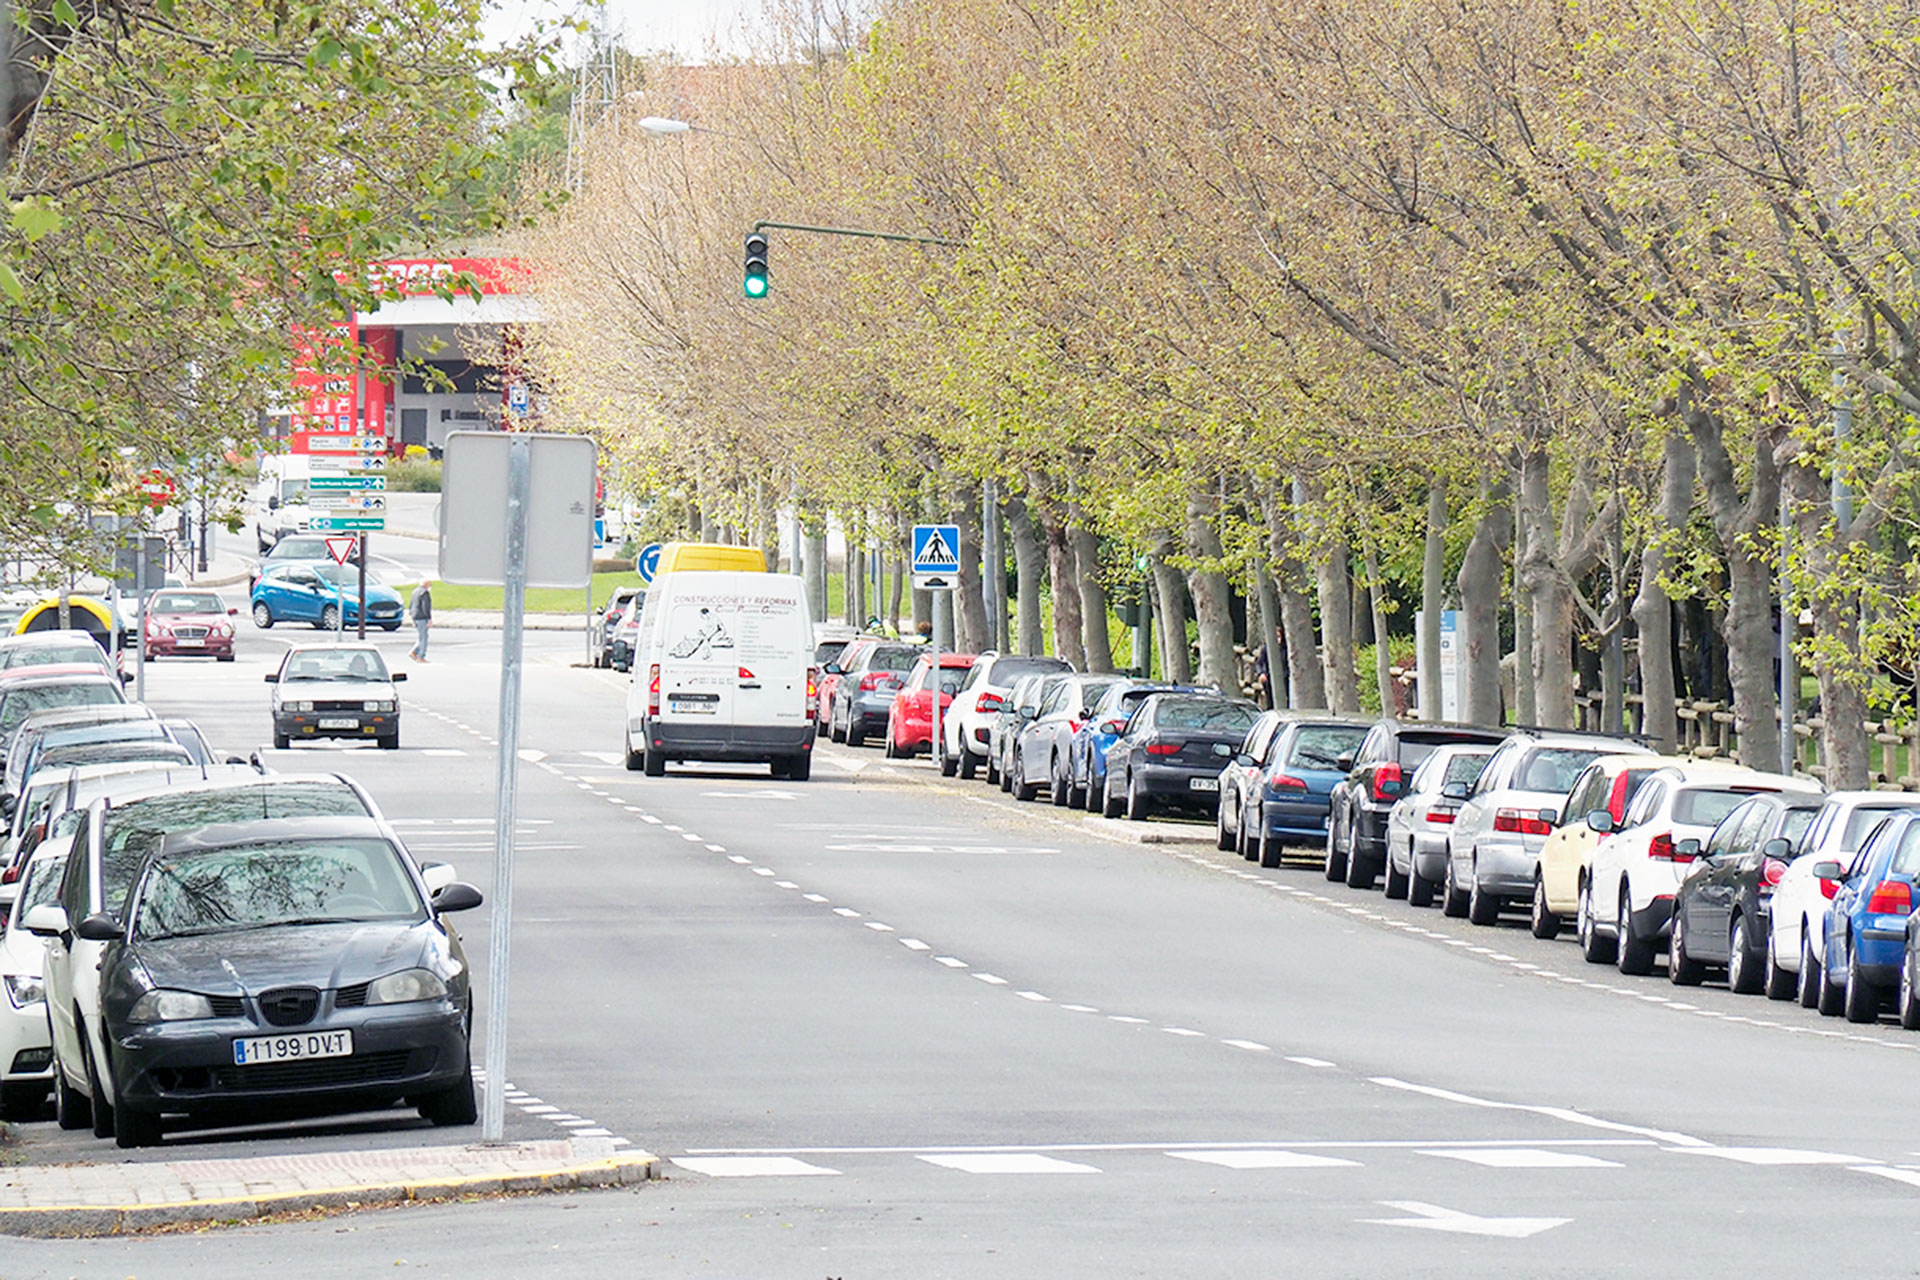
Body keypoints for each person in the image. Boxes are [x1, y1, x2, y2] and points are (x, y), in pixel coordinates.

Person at [407, 579, 433, 661]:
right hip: (422, 617)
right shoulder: (424, 593)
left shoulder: (415, 592)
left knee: (421, 636)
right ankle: (421, 656)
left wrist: (411, 615)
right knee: (424, 637)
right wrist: (429, 618)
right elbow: (425, 607)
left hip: (415, 616)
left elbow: (411, 605)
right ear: (426, 584)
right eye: (430, 584)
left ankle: (414, 651)